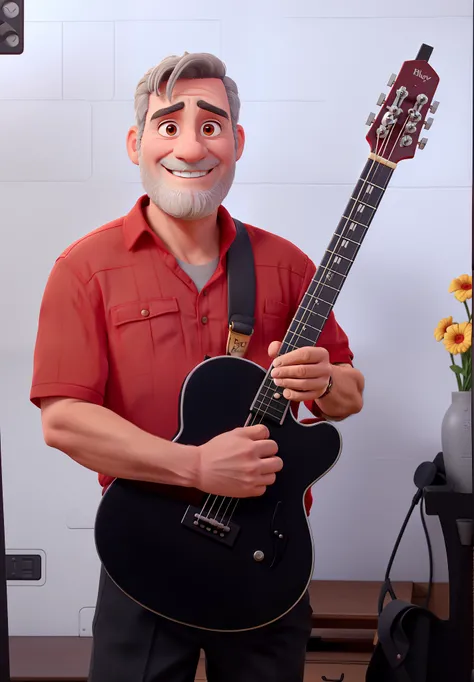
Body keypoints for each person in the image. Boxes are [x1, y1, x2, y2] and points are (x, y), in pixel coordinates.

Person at [30, 52, 365, 682]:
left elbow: (347, 393)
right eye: (168, 125)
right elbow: (65, 420)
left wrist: (324, 381)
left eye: (211, 126)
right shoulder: (85, 269)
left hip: (271, 557)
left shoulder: (287, 265)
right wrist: (196, 465)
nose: (190, 144)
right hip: (143, 554)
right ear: (137, 144)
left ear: (237, 142)